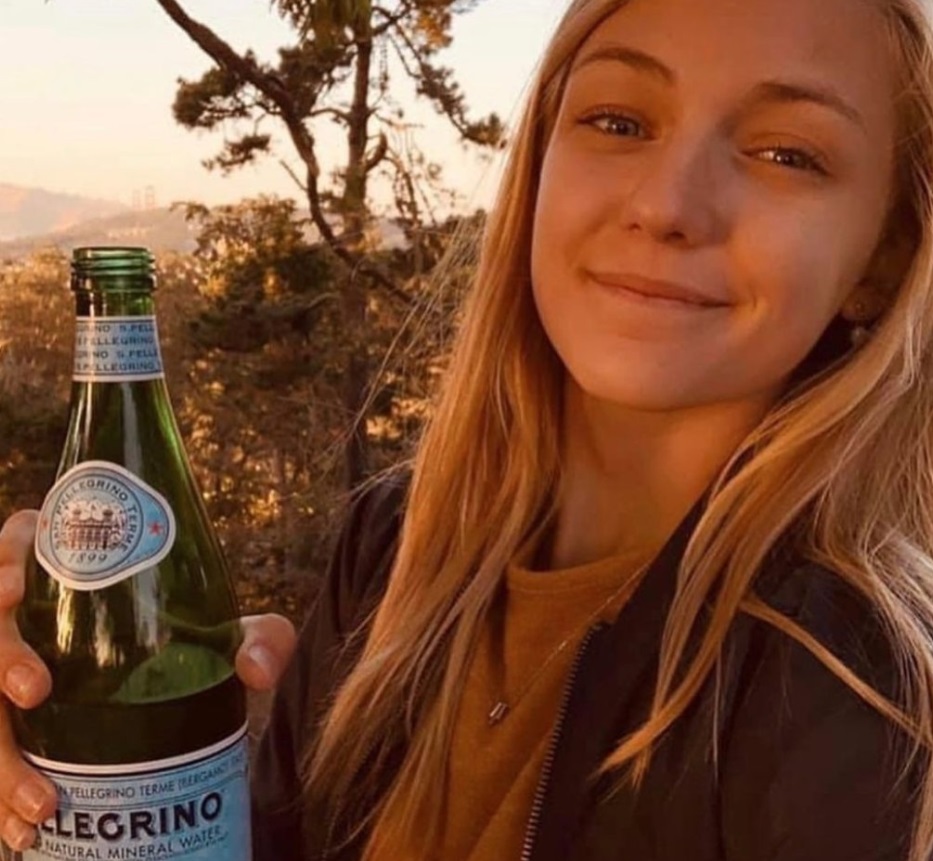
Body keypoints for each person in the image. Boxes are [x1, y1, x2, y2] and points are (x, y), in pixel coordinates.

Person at [3, 0, 933, 857]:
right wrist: (124, 786)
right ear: (537, 169)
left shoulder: (857, 690)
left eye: (786, 154)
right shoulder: (393, 551)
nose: (666, 206)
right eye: (616, 122)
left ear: (882, 258)